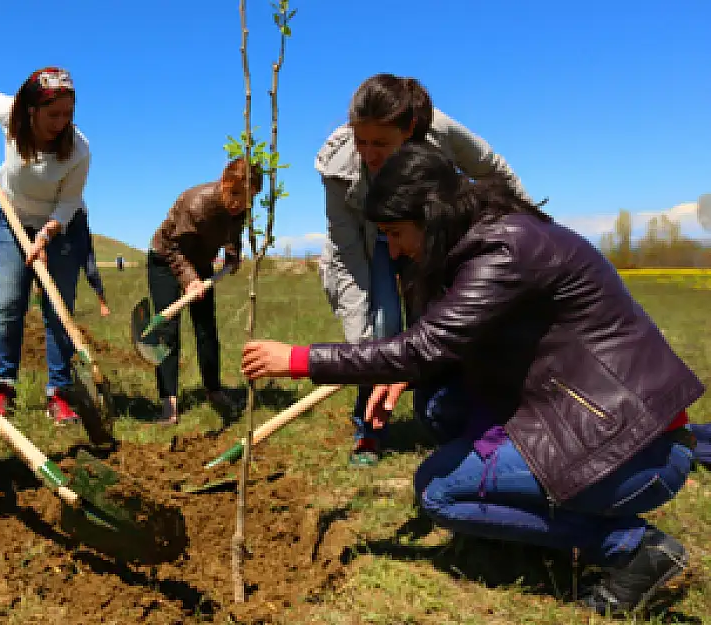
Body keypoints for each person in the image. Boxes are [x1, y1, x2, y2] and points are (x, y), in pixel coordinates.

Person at [241, 142, 702, 618]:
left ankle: (633, 548)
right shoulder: (488, 235)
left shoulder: (503, 251)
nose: (395, 250)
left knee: (439, 492)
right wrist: (405, 378)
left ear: (432, 215)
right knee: (442, 406)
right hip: (597, 415)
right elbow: (453, 343)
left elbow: (423, 347)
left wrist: (298, 359)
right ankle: (529, 530)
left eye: (397, 234)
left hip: (636, 448)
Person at [315, 73, 534, 466]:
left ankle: (448, 404)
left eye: (380, 143)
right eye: (361, 141)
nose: (368, 153)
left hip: (427, 232)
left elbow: (492, 169)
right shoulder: (336, 165)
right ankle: (369, 429)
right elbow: (347, 255)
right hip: (369, 245)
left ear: (409, 129)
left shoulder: (442, 131)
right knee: (379, 327)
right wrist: (364, 349)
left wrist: (534, 225)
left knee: (432, 319)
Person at [0, 67, 90, 425]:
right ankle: (4, 387)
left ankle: (59, 394)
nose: (61, 122)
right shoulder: (12, 114)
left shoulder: (78, 150)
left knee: (57, 309)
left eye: (68, 114)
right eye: (54, 114)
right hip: (12, 219)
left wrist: (46, 235)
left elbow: (69, 203)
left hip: (61, 227)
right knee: (9, 306)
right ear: (32, 110)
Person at [147, 157, 261, 424]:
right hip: (165, 259)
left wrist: (232, 253)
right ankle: (169, 401)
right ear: (223, 182)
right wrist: (189, 280)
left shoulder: (239, 208)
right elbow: (173, 248)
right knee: (168, 330)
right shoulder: (196, 204)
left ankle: (214, 390)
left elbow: (234, 231)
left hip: (200, 262)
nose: (238, 204)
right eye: (234, 194)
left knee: (206, 328)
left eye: (247, 199)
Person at [72, 207, 111, 317]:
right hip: (62, 232)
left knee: (91, 272)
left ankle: (103, 304)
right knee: (69, 275)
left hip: (80, 231)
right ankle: (67, 308)